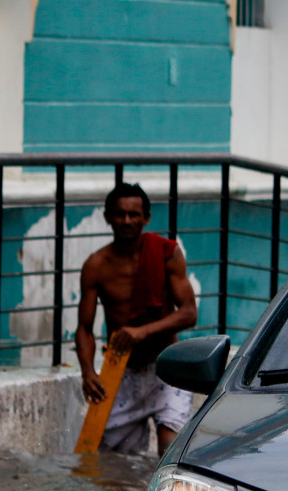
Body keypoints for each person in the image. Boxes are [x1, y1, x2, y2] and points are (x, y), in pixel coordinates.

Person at [76, 182, 199, 454]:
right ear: (108, 217)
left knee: (171, 452)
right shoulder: (96, 265)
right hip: (122, 373)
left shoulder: (167, 253)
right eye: (120, 214)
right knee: (114, 467)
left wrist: (142, 331)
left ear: (146, 218)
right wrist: (87, 372)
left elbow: (189, 313)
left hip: (167, 369)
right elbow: (84, 328)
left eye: (134, 214)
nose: (127, 221)